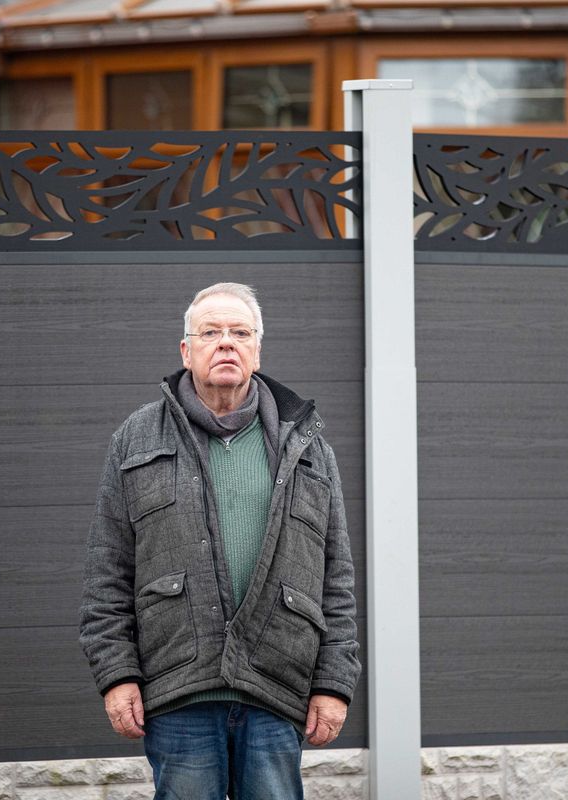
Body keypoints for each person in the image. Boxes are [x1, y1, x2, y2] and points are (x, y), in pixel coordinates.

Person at [80, 282, 361, 799]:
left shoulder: (309, 447)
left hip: (277, 688)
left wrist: (333, 682)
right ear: (186, 351)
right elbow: (108, 570)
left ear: (258, 350)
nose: (226, 342)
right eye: (210, 333)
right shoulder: (136, 439)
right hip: (179, 690)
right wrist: (117, 674)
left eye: (240, 333)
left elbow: (335, 576)